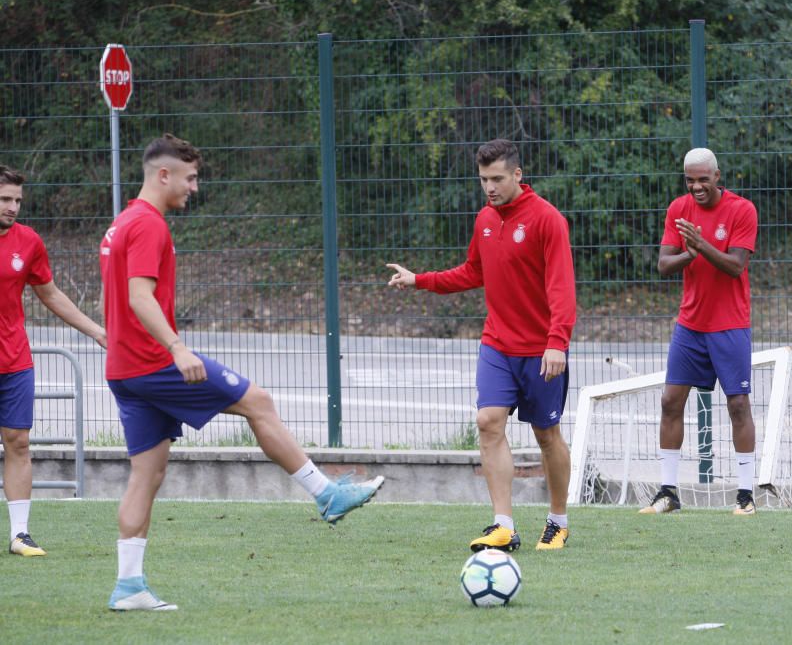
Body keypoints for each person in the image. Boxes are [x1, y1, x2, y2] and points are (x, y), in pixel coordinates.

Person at [100, 134, 383, 611]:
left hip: (124, 370)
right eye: (190, 178)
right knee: (258, 401)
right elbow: (137, 297)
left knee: (146, 475)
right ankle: (326, 494)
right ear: (163, 174)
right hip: (155, 363)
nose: (194, 187)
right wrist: (176, 347)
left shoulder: (121, 222)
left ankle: (128, 587)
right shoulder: (149, 225)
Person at [386, 138, 576, 552]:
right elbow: (473, 272)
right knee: (488, 421)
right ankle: (503, 524)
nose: (489, 187)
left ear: (517, 175)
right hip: (497, 344)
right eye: (483, 180)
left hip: (542, 349)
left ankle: (557, 521)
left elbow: (562, 288)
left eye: (497, 179)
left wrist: (556, 342)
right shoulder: (485, 219)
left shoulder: (548, 220)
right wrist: (420, 280)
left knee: (547, 435)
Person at [641, 147, 759, 517]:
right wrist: (690, 254)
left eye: (702, 180)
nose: (696, 187)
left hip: (730, 325)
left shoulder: (742, 210)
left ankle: (745, 496)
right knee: (670, 402)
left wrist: (701, 245)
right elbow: (663, 265)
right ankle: (668, 492)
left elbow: (736, 266)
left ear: (717, 177)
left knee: (738, 405)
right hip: (690, 326)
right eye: (689, 180)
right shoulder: (678, 209)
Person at [0, 166, 107, 557]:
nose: (13, 208)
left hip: (14, 361)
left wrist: (97, 331)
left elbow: (51, 294)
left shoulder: (28, 242)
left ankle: (20, 535)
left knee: (18, 442)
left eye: (17, 201)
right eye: (5, 200)